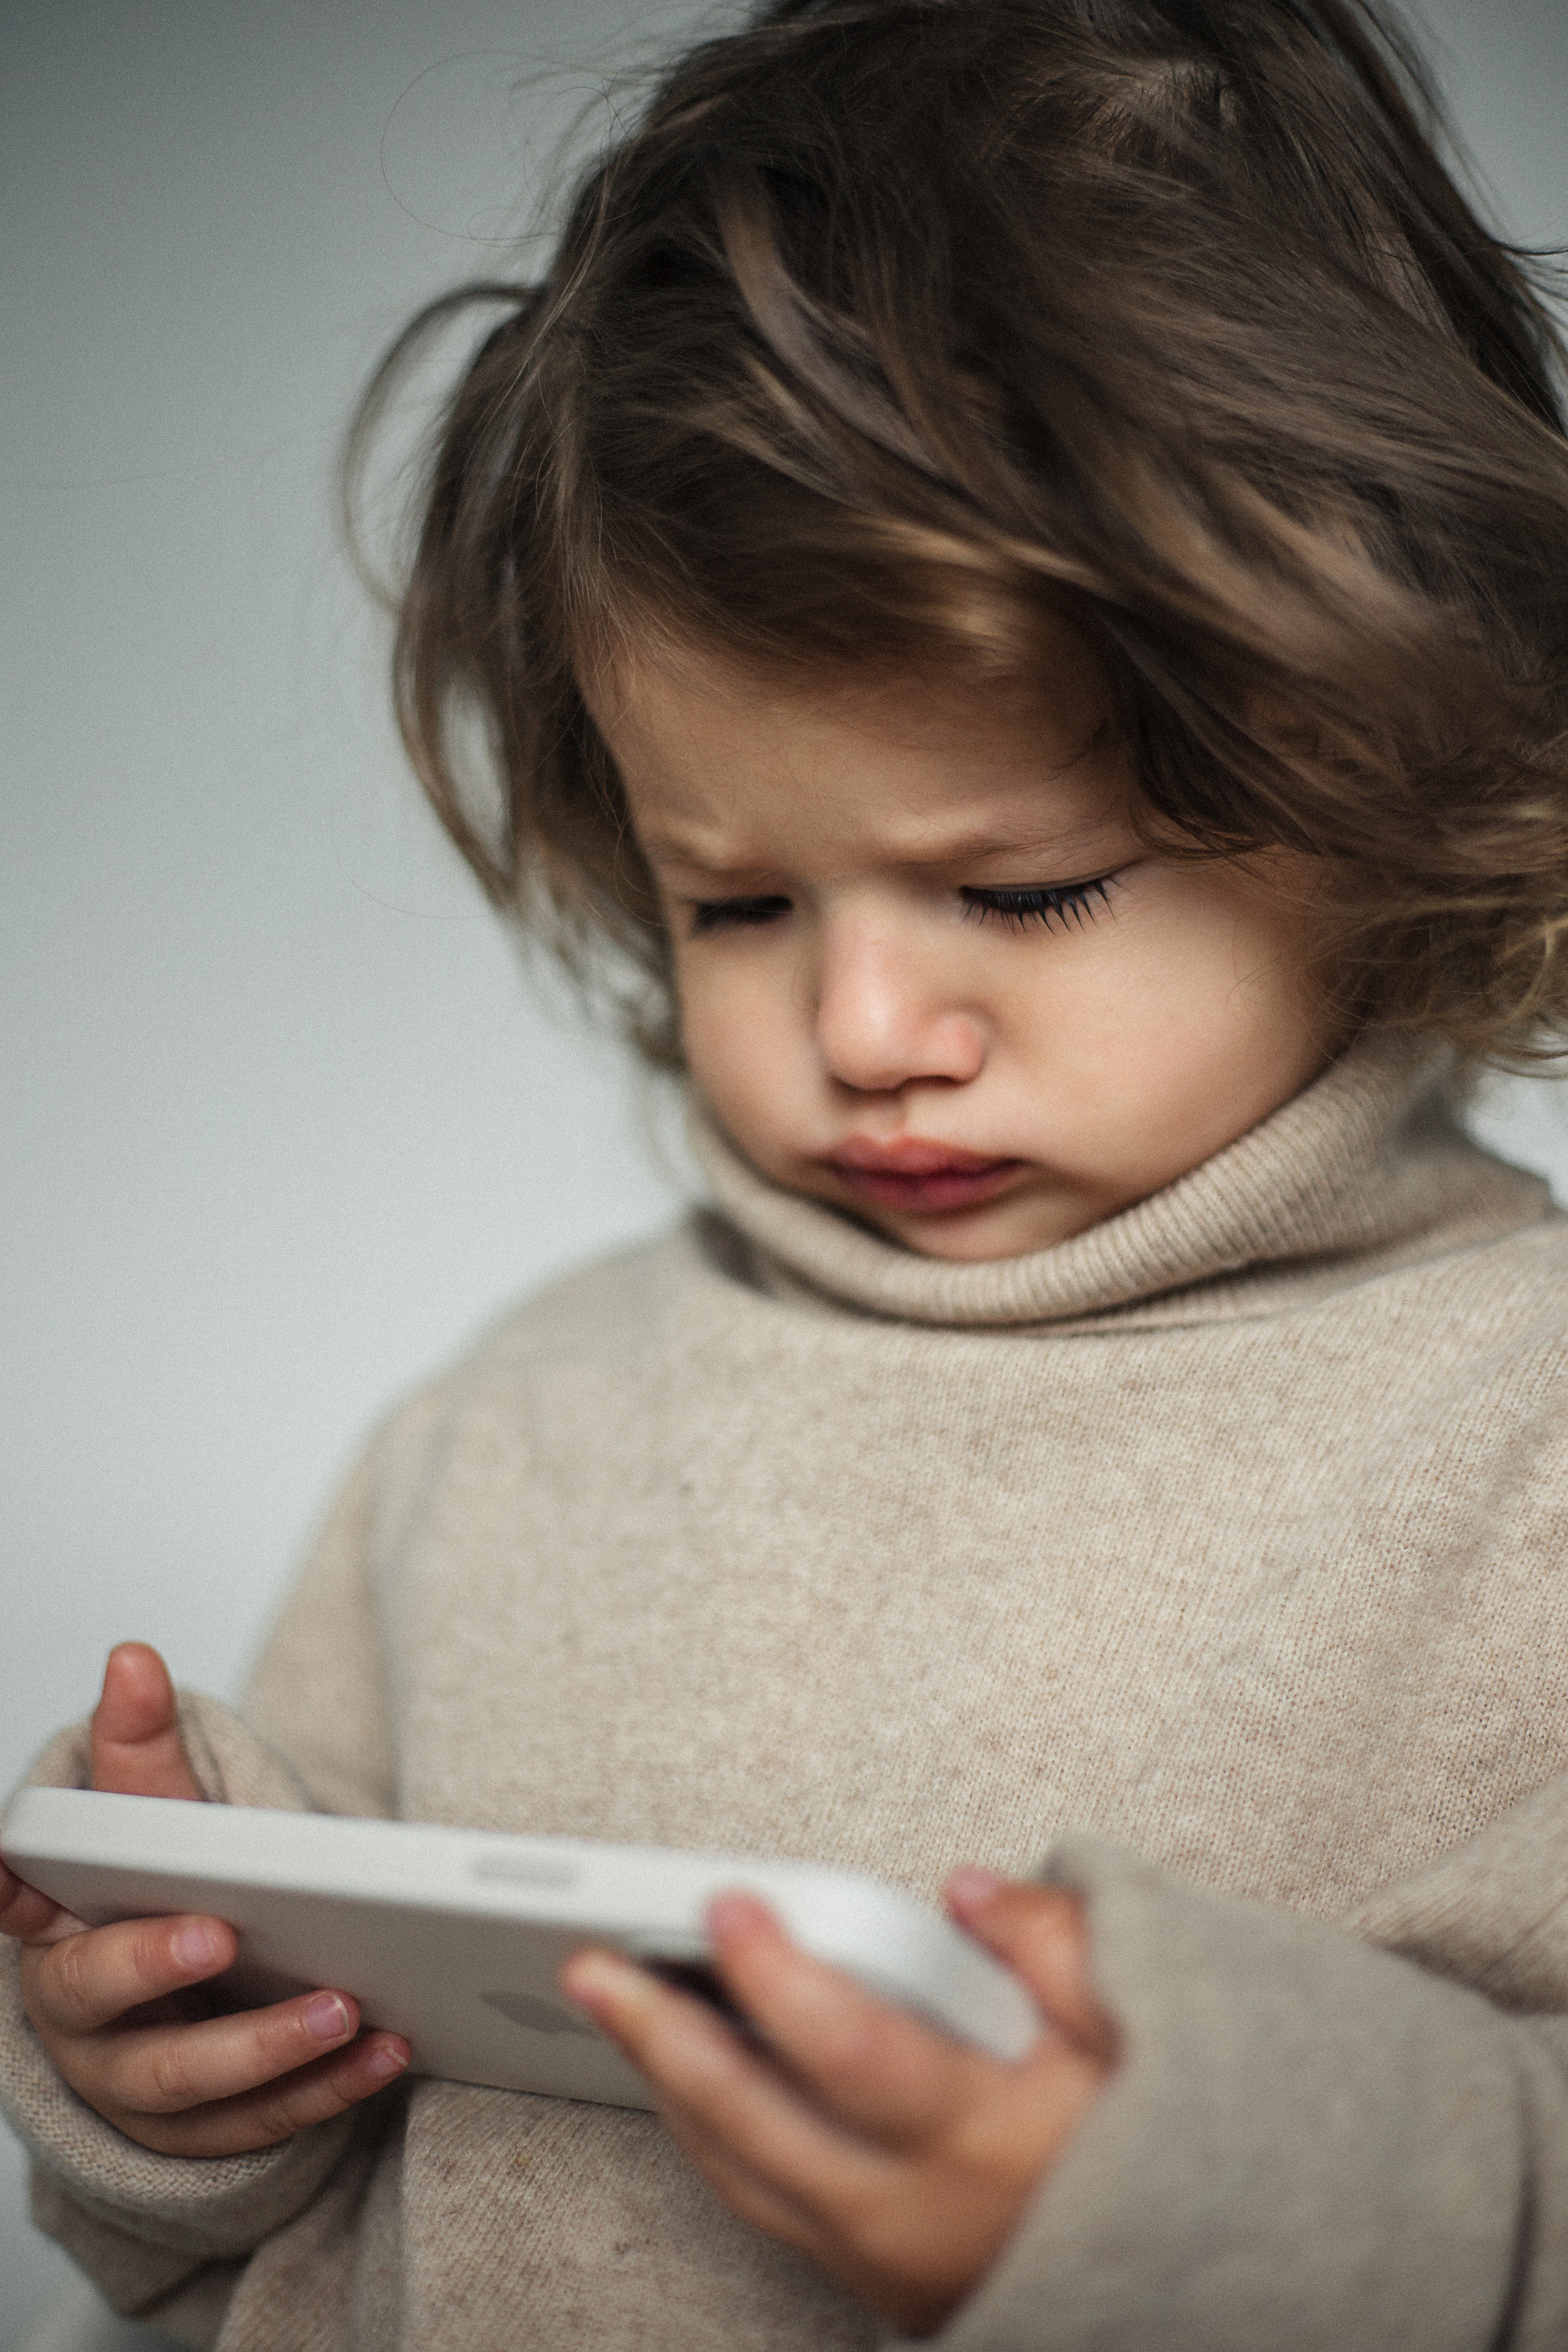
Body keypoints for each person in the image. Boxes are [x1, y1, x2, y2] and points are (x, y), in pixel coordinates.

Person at [6, 0, 1568, 2342]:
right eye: (738, 902)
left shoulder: (1526, 1438)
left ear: (1393, 780)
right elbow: (212, 2238)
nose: (861, 1036)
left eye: (1023, 890)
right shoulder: (511, 1422)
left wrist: (1186, 2190)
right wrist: (157, 2080)